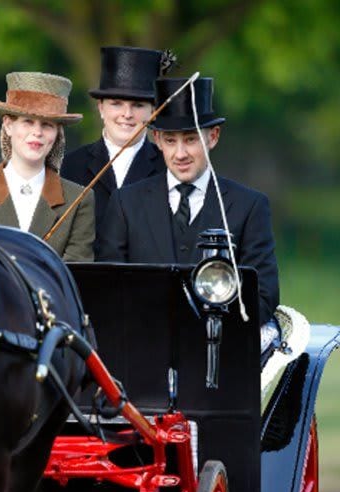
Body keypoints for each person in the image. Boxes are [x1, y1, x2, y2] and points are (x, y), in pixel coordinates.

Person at [98, 76, 279, 327]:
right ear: (158, 139)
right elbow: (108, 288)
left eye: (191, 139)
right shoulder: (125, 203)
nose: (180, 153)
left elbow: (264, 296)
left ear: (213, 137)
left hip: (220, 355)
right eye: (171, 141)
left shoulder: (249, 206)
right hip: (144, 353)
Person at [0, 71, 95, 262]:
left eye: (47, 125)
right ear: (9, 125)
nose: (37, 132)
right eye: (28, 122)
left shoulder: (79, 200)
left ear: (57, 134)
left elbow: (76, 276)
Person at [61, 46, 168, 242]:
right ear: (101, 108)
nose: (127, 114)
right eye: (117, 103)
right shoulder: (69, 167)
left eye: (138, 105)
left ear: (153, 111)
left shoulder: (168, 168)